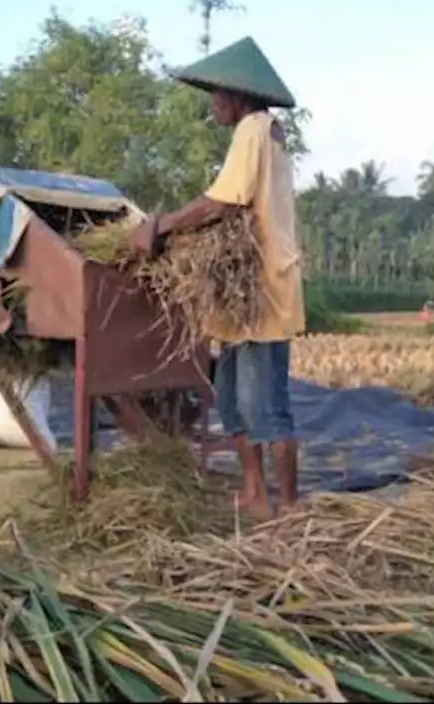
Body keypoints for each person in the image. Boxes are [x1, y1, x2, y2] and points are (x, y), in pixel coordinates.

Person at [127, 37, 305, 518]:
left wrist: (159, 227)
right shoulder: (259, 131)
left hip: (262, 290)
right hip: (239, 295)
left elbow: (222, 203)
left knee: (265, 404)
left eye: (215, 95)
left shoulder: (255, 128)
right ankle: (253, 493)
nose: (212, 105)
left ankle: (287, 506)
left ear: (236, 94)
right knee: (230, 399)